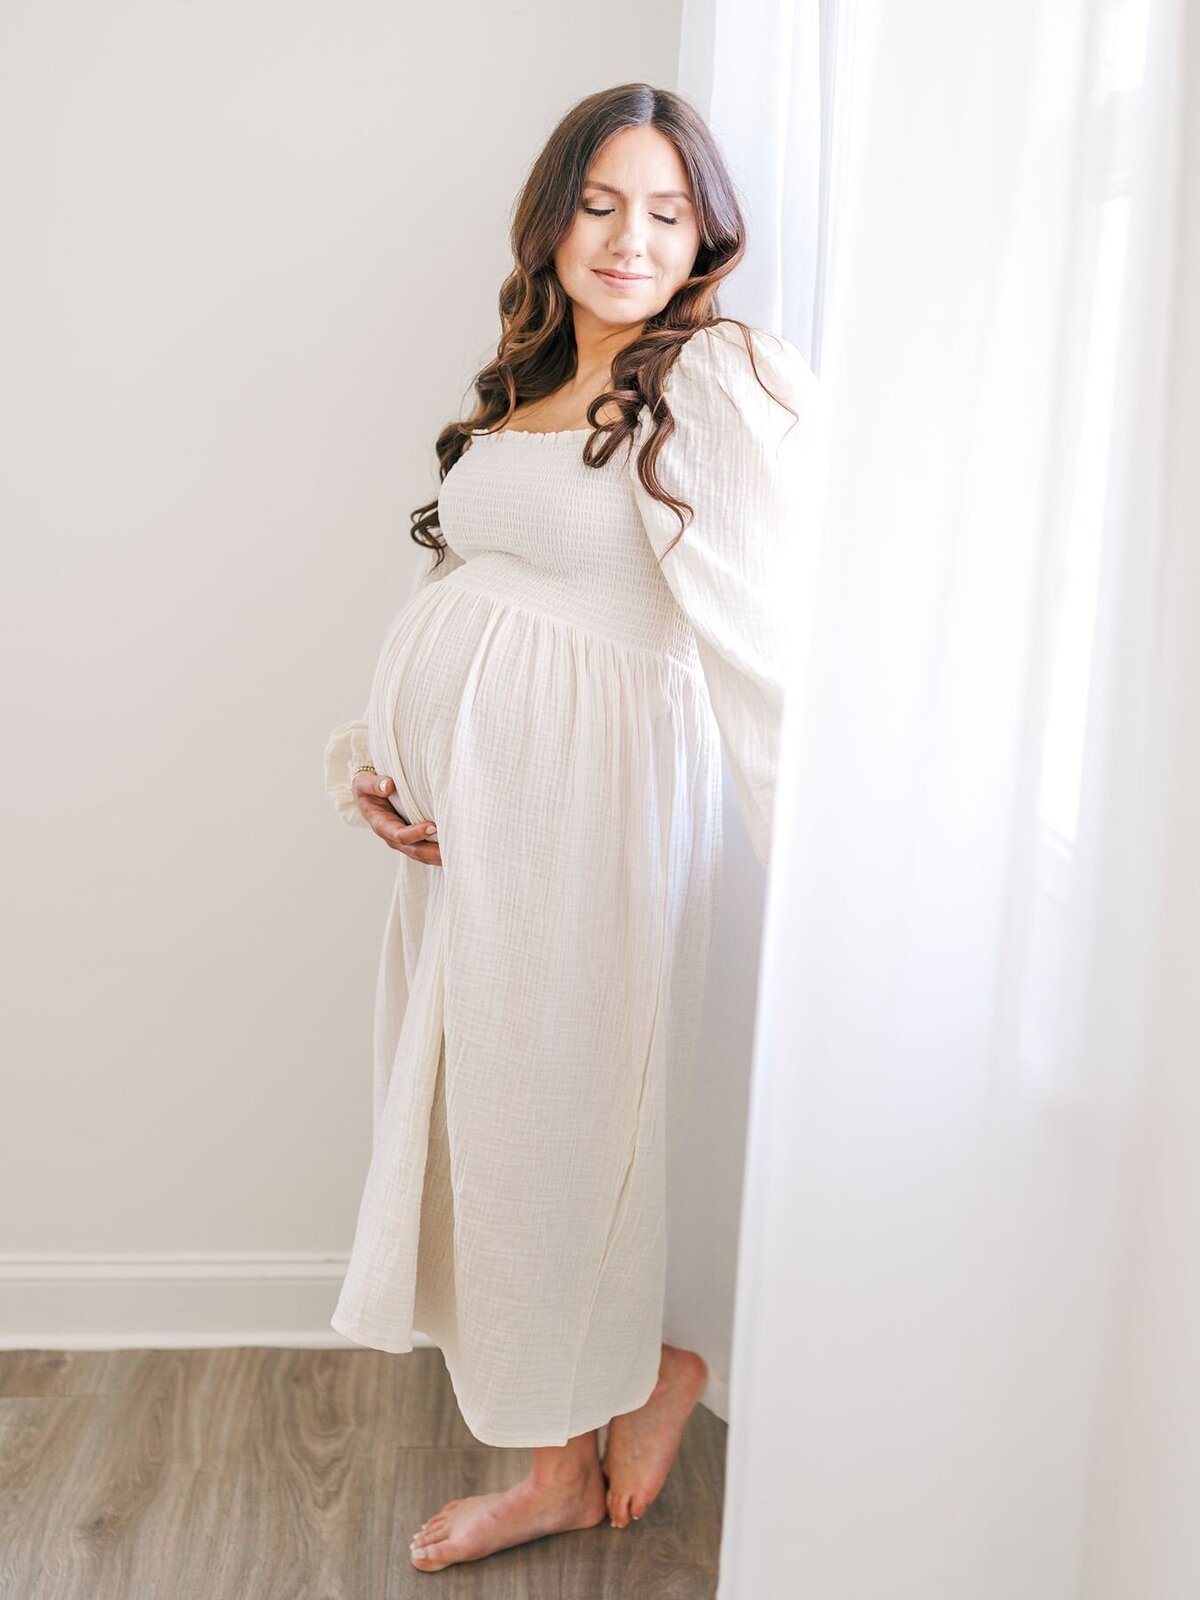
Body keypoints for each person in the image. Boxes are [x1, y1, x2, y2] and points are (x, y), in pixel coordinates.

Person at [322, 81, 823, 1575]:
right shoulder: (531, 382)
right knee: (494, 1125)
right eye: (601, 204)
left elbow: (767, 643)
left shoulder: (715, 377)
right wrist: (371, 758)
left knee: (558, 1121)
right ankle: (621, 1389)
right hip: (472, 836)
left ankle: (570, 1454)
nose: (629, 239)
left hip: (589, 826)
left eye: (666, 212)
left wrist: (831, 878)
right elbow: (459, 592)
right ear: (552, 219)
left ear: (705, 236)